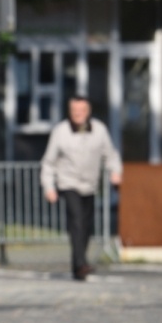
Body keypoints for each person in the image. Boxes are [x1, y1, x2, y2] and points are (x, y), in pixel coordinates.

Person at [40, 95, 122, 280]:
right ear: (70, 112)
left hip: (90, 185)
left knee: (86, 226)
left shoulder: (99, 130)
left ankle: (78, 267)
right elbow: (48, 162)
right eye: (74, 111)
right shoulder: (60, 131)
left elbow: (111, 155)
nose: (78, 114)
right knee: (76, 221)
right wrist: (48, 186)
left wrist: (115, 172)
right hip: (68, 183)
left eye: (81, 111)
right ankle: (80, 263)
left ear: (88, 111)